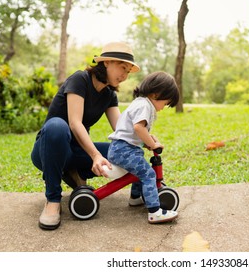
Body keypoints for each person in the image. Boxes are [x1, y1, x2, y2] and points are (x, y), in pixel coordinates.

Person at [31, 42, 140, 230]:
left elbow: (122, 131)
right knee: (57, 126)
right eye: (122, 68)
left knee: (125, 151)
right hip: (48, 149)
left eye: (128, 71)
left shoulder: (109, 95)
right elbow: (75, 123)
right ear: (106, 62)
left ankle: (74, 172)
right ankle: (53, 200)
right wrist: (96, 155)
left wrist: (144, 138)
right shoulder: (80, 79)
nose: (124, 75)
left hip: (77, 152)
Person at [107, 71, 180, 224]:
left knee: (140, 170)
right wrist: (153, 145)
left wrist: (149, 140)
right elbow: (138, 128)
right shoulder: (144, 106)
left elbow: (140, 130)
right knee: (148, 174)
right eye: (165, 103)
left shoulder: (141, 103)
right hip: (123, 149)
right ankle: (154, 212)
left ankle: (135, 197)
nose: (163, 107)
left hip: (123, 148)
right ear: (156, 94)